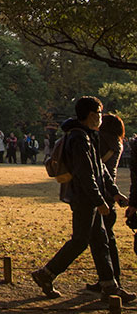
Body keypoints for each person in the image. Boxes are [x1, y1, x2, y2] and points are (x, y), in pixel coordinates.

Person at [31, 96, 134, 303]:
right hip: (83, 198)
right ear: (89, 114)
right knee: (80, 241)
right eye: (98, 113)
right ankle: (46, 274)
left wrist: (114, 192)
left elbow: (100, 168)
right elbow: (85, 173)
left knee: (100, 240)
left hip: (89, 196)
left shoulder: (89, 135)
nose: (100, 118)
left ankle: (109, 286)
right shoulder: (79, 137)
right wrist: (99, 201)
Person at [85, 113, 126, 294]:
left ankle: (110, 278)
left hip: (102, 191)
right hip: (110, 191)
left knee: (102, 240)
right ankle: (107, 277)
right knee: (106, 238)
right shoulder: (117, 142)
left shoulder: (102, 140)